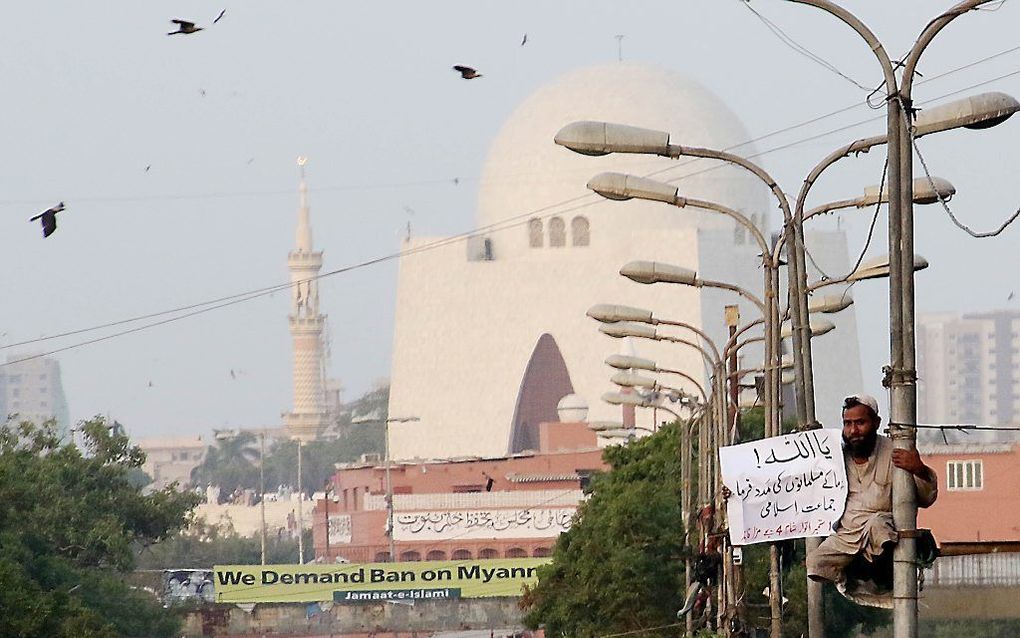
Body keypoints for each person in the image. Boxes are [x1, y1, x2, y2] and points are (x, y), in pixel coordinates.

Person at [805, 393, 938, 589]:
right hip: (847, 535)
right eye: (847, 423)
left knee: (879, 528)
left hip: (881, 528)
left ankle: (880, 573)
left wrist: (919, 469)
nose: (853, 430)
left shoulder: (894, 451)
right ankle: (853, 576)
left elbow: (926, 498)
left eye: (860, 423)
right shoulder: (835, 458)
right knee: (815, 564)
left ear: (876, 423)